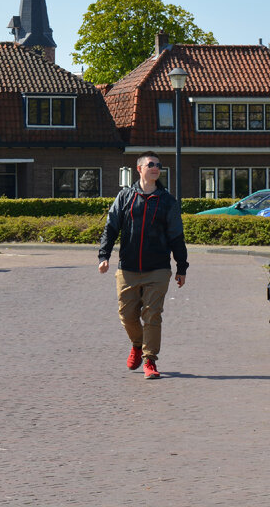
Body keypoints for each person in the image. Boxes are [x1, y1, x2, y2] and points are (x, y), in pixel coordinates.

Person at [97, 151, 188, 379]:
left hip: (158, 268)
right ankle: (138, 344)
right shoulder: (125, 197)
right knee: (127, 315)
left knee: (152, 314)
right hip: (127, 268)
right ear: (139, 169)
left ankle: (150, 361)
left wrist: (181, 267)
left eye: (158, 165)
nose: (155, 168)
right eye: (151, 164)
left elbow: (177, 235)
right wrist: (104, 255)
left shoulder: (167, 201)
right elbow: (111, 227)